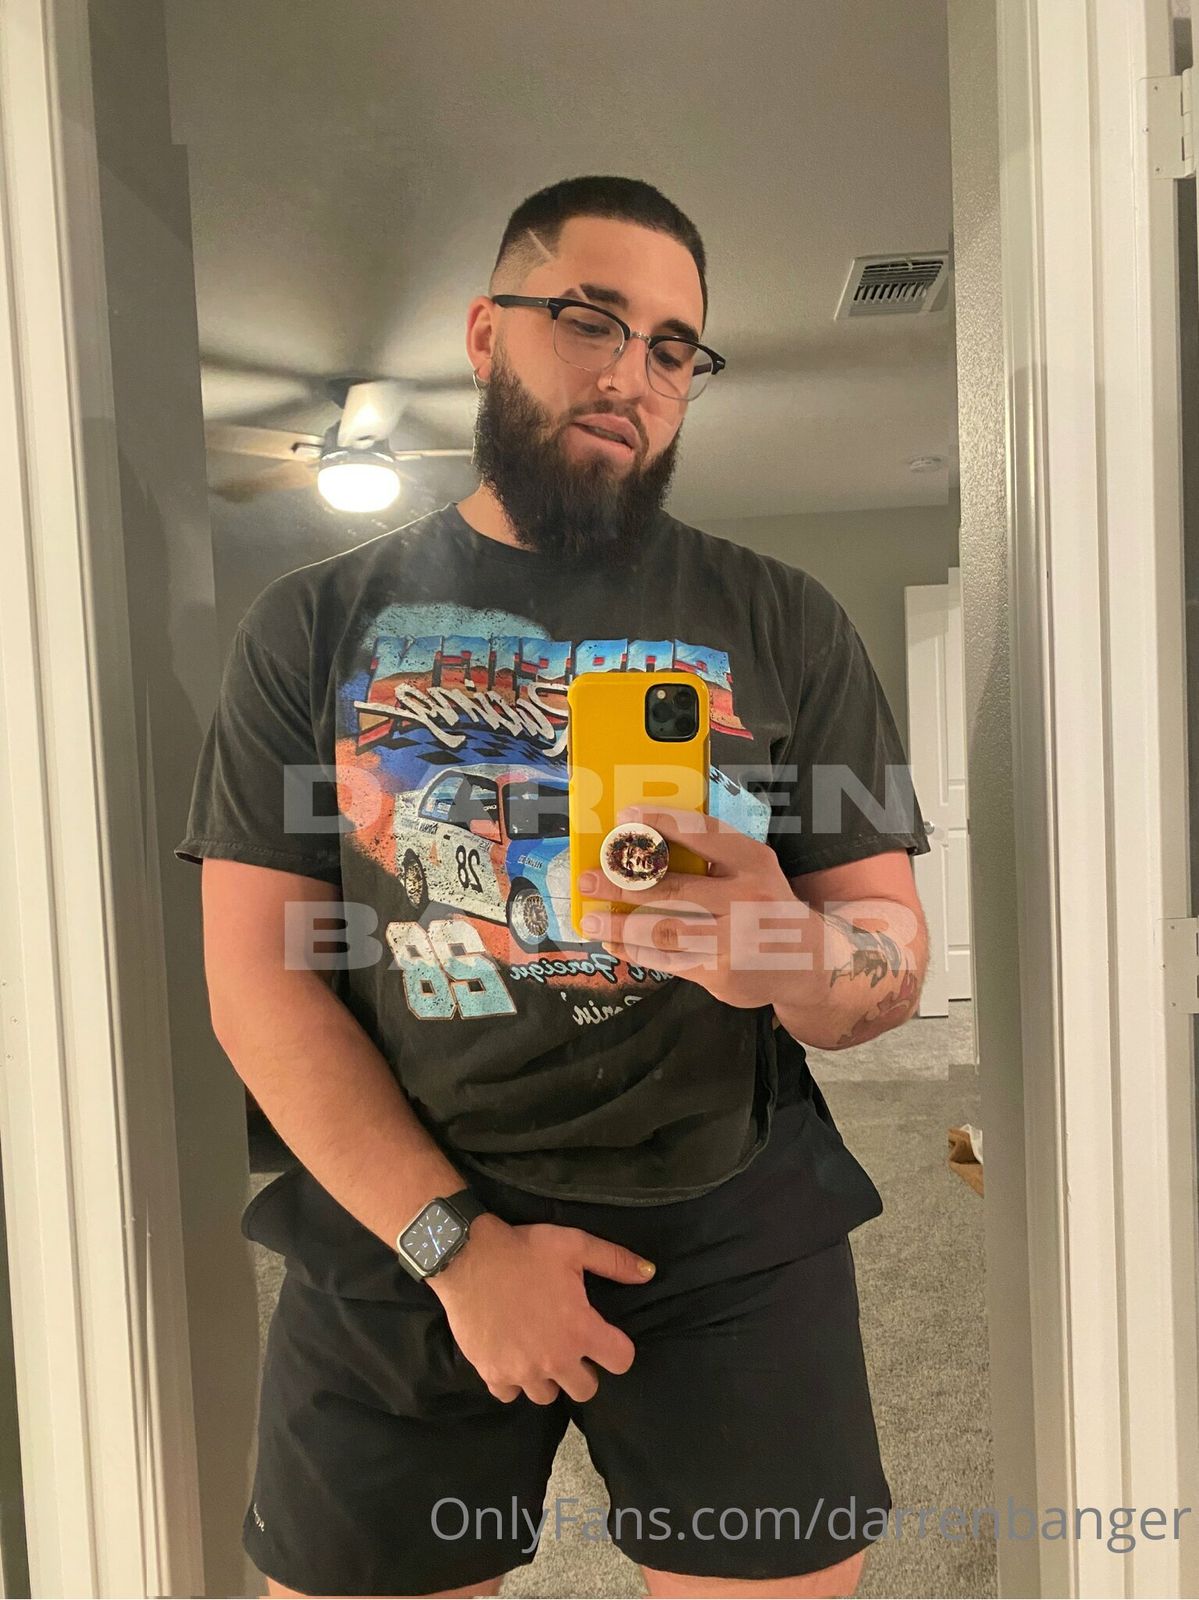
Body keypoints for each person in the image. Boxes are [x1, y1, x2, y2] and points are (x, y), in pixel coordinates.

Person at [177, 174, 931, 1600]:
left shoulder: (787, 621)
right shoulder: (313, 623)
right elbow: (255, 982)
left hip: (728, 1218)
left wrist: (795, 955)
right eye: (591, 319)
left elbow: (888, 957)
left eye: (673, 348)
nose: (632, 373)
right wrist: (458, 1252)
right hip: (406, 1217)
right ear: (484, 332)